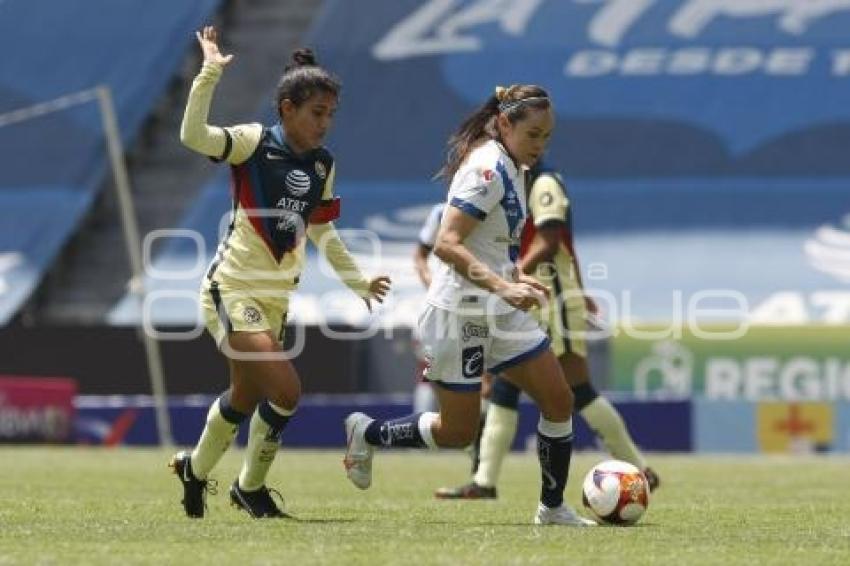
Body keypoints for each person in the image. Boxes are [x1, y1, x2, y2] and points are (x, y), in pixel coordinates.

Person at [344, 84, 595, 526]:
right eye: (533, 134)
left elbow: (490, 244)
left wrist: (514, 278)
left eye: (547, 137)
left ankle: (552, 508)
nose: (540, 146)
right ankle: (367, 431)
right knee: (457, 431)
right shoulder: (486, 169)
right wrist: (505, 285)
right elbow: (446, 243)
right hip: (459, 314)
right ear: (504, 124)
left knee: (558, 400)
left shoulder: (515, 167)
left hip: (499, 309)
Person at [169, 26, 390, 519]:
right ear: (287, 108)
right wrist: (207, 75)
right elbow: (191, 136)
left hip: (274, 299)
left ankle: (196, 472)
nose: (325, 124)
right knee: (286, 390)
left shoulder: (322, 165)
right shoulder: (252, 143)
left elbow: (323, 233)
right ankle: (250, 487)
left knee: (245, 395)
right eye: (317, 113)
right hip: (231, 288)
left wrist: (357, 282)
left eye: (331, 115)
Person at [435, 162, 660, 499]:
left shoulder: (543, 183)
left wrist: (512, 278)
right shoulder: (512, 184)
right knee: (505, 389)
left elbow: (551, 241)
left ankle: (639, 469)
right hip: (533, 299)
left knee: (579, 389)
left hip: (551, 301)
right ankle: (484, 481)